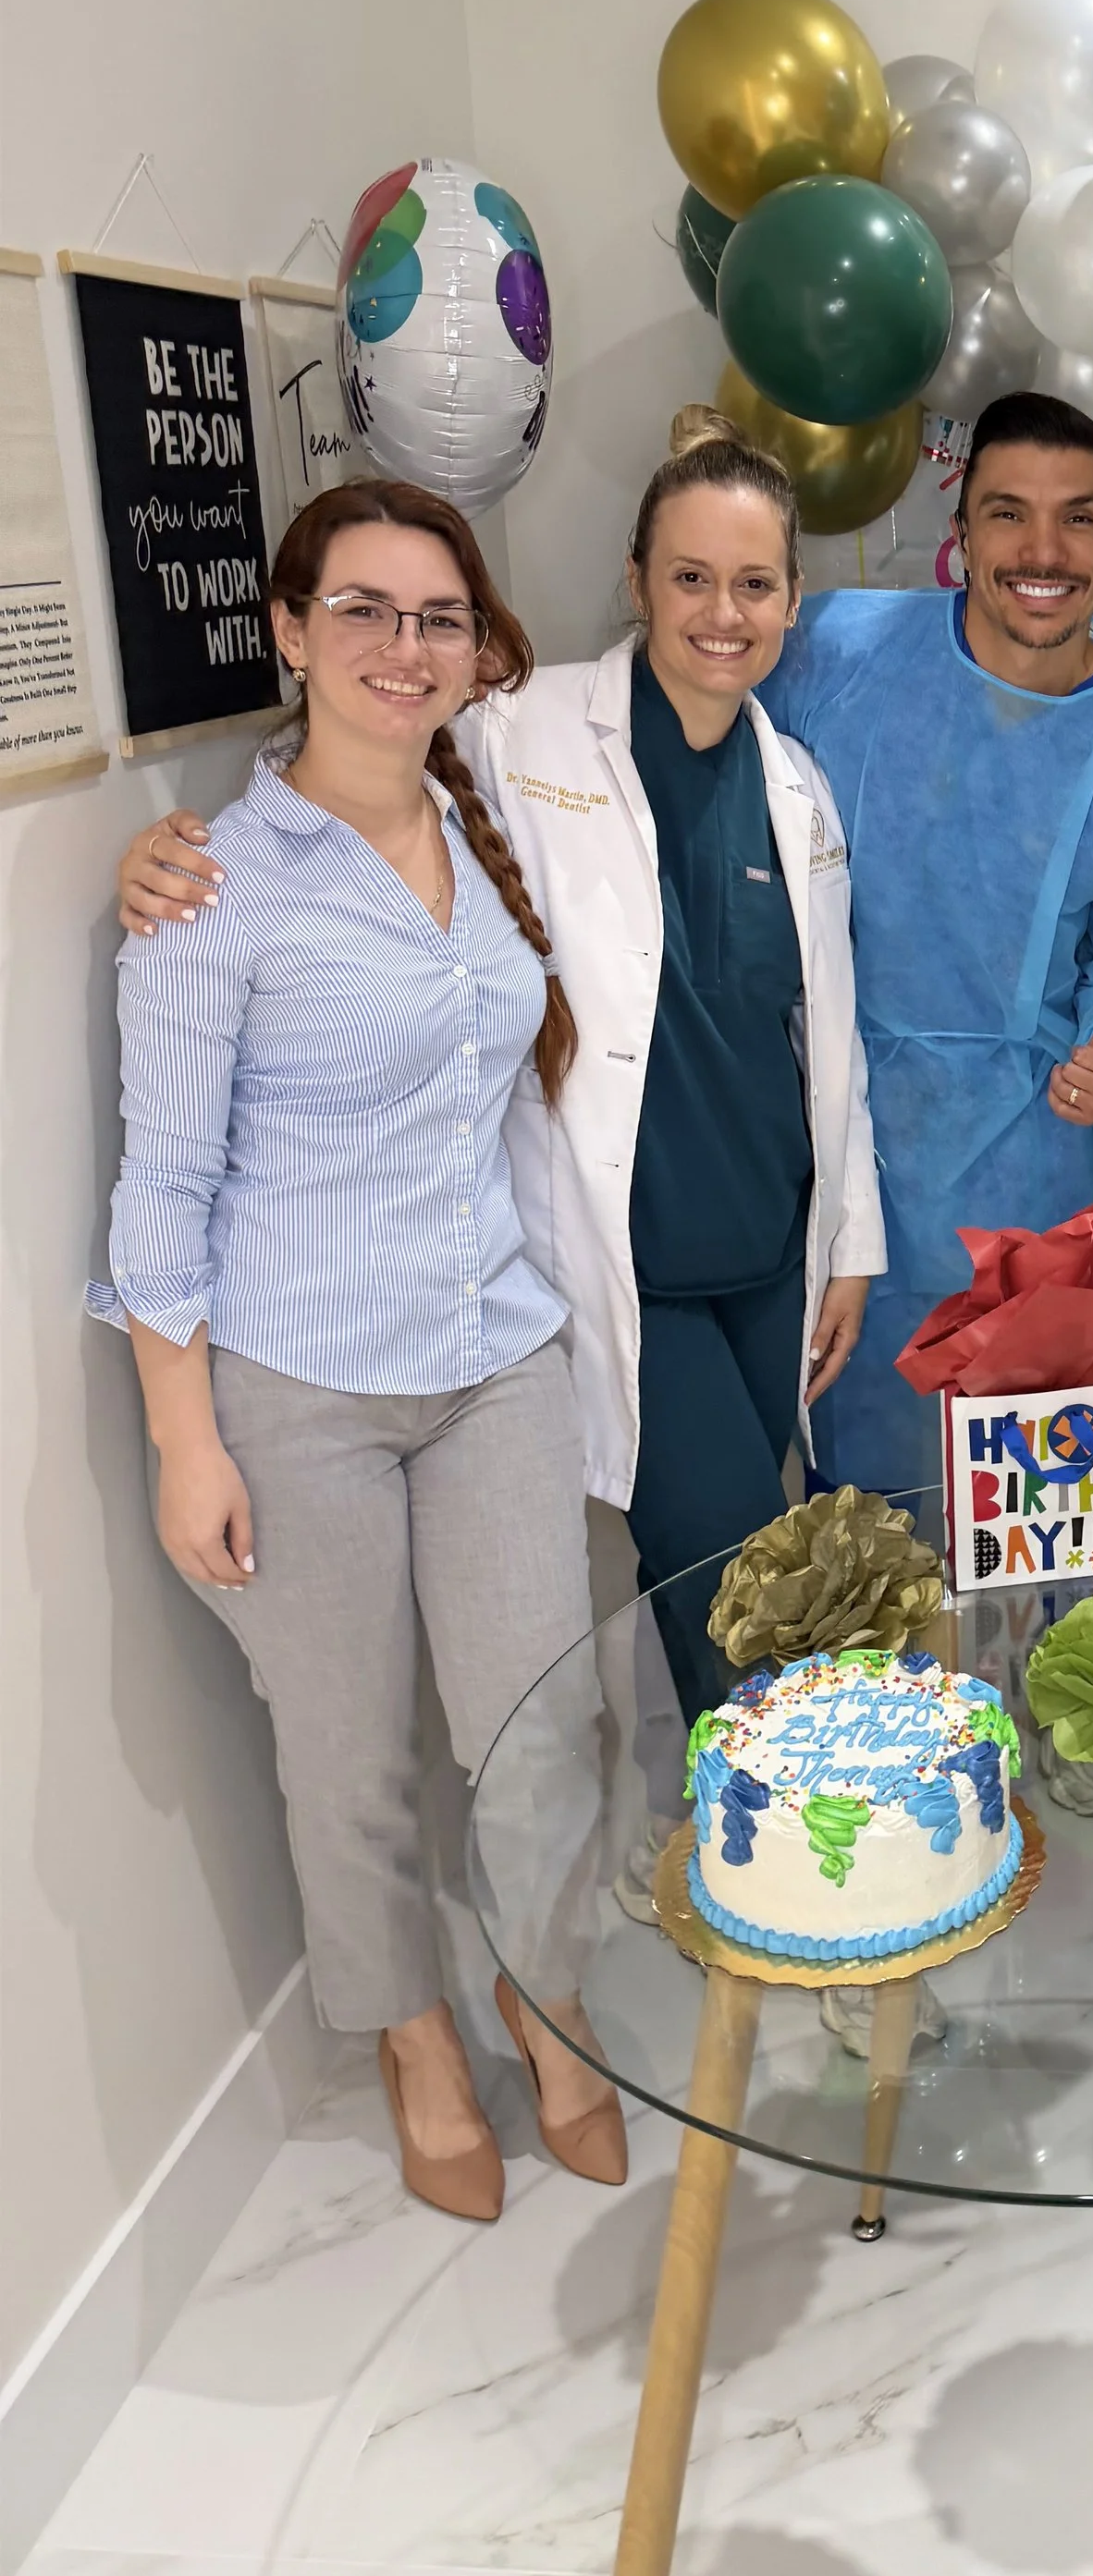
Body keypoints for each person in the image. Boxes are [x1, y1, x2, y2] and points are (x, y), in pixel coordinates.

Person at [117, 421, 886, 1906]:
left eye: (754, 585)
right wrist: (164, 856)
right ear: (636, 582)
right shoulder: (524, 732)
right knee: (753, 1587)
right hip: (620, 1262)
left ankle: (722, 1842)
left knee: (725, 1571)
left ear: (792, 602)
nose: (722, 613)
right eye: (690, 578)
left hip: (765, 1255)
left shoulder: (796, 786)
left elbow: (825, 1033)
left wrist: (847, 1238)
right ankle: (805, 1880)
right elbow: (357, 767)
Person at [95, 482, 624, 2223]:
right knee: (345, 1759)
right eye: (367, 610)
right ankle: (413, 2036)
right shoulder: (213, 888)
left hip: (493, 1354)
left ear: (476, 645)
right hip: (297, 1382)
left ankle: (544, 2000)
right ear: (293, 632)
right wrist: (184, 1437)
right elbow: (164, 1182)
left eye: (439, 615)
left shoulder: (487, 823)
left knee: (537, 1728)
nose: (407, 645)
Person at [761, 388, 1093, 1491]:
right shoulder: (835, 653)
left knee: (1035, 1527)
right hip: (847, 1160)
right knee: (868, 1524)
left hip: (1036, 1176)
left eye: (1078, 518)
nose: (1042, 551)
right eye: (1009, 513)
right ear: (961, 535)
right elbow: (692, 705)